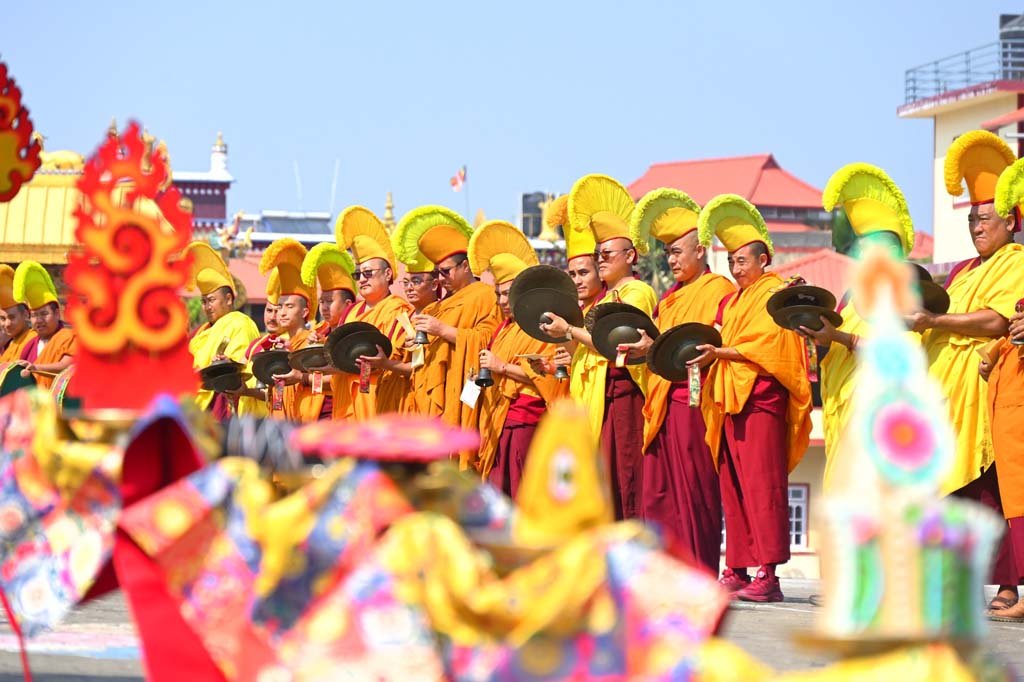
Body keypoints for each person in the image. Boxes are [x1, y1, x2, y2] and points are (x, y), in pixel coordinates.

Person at [911, 132, 1024, 612]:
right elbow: (937, 312)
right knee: (949, 495)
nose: (976, 227)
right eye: (972, 219)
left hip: (986, 390)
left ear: (1010, 221)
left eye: (985, 218)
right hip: (946, 396)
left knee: (991, 493)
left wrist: (934, 321)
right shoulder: (960, 271)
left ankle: (1006, 586)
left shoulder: (1016, 261)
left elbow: (997, 320)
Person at [691, 194, 812, 602]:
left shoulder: (774, 293)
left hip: (760, 400)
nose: (736, 268)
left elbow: (768, 345)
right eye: (731, 261)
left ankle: (769, 575)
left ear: (764, 260)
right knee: (734, 488)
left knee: (764, 487)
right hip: (728, 399)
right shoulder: (732, 301)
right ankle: (737, 568)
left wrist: (720, 352)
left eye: (742, 261)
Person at [621, 188, 735, 572]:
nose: (671, 260)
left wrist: (657, 348)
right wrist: (645, 349)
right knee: (660, 491)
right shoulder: (669, 299)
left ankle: (699, 569)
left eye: (676, 252)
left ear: (700, 251)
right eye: (667, 253)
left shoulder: (719, 290)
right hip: (663, 400)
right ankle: (662, 570)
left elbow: (716, 340)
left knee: (695, 489)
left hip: (696, 399)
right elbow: (660, 346)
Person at [538, 174, 656, 520]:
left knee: (624, 482)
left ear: (630, 255)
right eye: (598, 254)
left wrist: (570, 330)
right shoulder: (603, 301)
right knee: (603, 483)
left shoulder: (637, 292)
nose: (601, 260)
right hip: (596, 402)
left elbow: (616, 344)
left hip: (623, 399)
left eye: (606, 254)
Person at [801, 163, 916, 491]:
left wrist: (840, 336)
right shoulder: (851, 296)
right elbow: (832, 344)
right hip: (843, 408)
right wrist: (811, 328)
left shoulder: (906, 293)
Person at [467, 219, 567, 494]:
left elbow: (548, 378)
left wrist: (502, 367)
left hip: (524, 421)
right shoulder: (503, 329)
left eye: (508, 294)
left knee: (522, 493)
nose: (502, 301)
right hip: (496, 420)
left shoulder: (542, 326)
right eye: (498, 294)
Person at [392, 206, 501, 451]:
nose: (441, 278)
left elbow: (488, 339)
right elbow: (422, 356)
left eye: (446, 271)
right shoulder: (437, 306)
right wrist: (414, 344)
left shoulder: (484, 296)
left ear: (465, 266)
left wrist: (442, 330)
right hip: (433, 391)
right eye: (437, 273)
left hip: (465, 384)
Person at [334, 206, 414, 418]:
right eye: (357, 274)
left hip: (377, 397)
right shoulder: (350, 312)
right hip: (346, 400)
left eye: (368, 273)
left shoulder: (399, 310)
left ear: (387, 274)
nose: (362, 279)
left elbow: (398, 357)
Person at [183, 242, 263, 419]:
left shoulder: (240, 323)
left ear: (228, 299)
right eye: (204, 301)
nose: (207, 307)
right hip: (196, 408)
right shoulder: (200, 331)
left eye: (211, 300)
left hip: (224, 405)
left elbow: (241, 369)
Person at [258, 238, 322, 423]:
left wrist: (302, 377)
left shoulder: (313, 344)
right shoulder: (281, 345)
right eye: (280, 306)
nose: (282, 312)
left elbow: (321, 386)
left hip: (305, 421)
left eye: (289, 306)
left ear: (305, 311)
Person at [301, 241, 357, 419]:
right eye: (322, 301)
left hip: (346, 409)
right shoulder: (319, 333)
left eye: (330, 301)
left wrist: (302, 378)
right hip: (317, 410)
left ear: (348, 304)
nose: (324, 307)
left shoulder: (353, 334)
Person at [12, 261, 76, 391]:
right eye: (34, 315)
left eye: (44, 314)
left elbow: (67, 366)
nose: (39, 320)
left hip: (56, 402)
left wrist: (36, 368)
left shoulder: (68, 337)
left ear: (57, 313)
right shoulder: (29, 343)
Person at [546, 193, 605, 312]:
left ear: (600, 272)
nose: (577, 282)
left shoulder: (610, 307)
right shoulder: (575, 315)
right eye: (572, 275)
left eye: (583, 273)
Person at [0, 265, 36, 363]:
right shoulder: (9, 344)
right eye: (2, 319)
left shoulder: (34, 339)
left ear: (25, 314)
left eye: (12, 317)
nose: (7, 324)